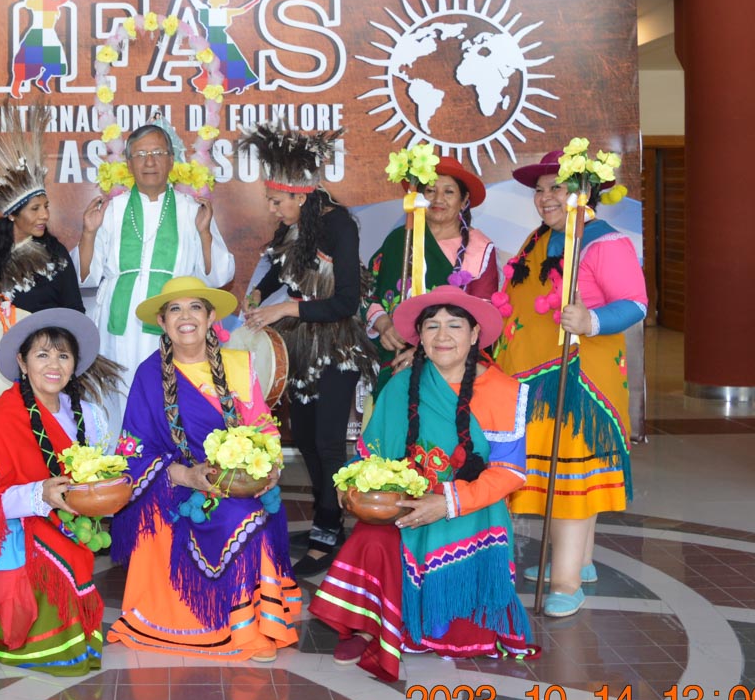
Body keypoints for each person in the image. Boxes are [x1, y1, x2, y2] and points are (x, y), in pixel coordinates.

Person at [311, 287, 538, 681]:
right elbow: (370, 454)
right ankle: (368, 625)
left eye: (454, 325)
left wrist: (447, 502)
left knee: (453, 530)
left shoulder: (504, 391)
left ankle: (428, 623)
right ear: (420, 337)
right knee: (371, 536)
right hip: (404, 504)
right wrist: (351, 483)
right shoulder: (401, 386)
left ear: (474, 335)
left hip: (470, 507)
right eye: (432, 326)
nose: (442, 335)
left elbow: (509, 472)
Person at [108, 277, 301, 661]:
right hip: (172, 482)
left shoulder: (238, 365)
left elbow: (263, 427)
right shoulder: (149, 375)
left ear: (211, 317)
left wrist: (271, 469)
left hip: (234, 480)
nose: (186, 317)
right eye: (175, 310)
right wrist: (187, 476)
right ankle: (235, 629)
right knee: (239, 516)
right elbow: (133, 452)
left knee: (252, 510)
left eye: (195, 307)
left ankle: (254, 623)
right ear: (162, 322)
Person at [493, 151, 648, 618]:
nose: (545, 198)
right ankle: (577, 561)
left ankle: (565, 581)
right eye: (539, 190)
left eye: (556, 188)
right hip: (533, 378)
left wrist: (590, 320)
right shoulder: (538, 239)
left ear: (584, 192)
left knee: (571, 478)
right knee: (555, 474)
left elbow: (635, 303)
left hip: (581, 381)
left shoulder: (604, 242)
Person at [239, 124, 375, 577]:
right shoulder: (292, 226)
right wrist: (259, 294)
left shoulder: (339, 225)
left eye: (276, 201)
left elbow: (347, 302)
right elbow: (279, 269)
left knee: (328, 442)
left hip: (337, 345)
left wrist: (284, 309)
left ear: (299, 195)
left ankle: (328, 528)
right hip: (300, 347)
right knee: (306, 441)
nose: (272, 209)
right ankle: (326, 519)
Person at [0, 309, 111, 674]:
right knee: (58, 552)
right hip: (19, 522)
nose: (53, 365)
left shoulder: (88, 414)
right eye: (42, 355)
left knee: (70, 545)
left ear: (74, 364)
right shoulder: (3, 418)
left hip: (68, 518)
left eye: (63, 355)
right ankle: (32, 636)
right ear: (22, 363)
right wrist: (39, 494)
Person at [77, 122, 234, 410]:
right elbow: (86, 276)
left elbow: (218, 276)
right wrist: (88, 233)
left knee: (167, 397)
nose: (149, 162)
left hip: (173, 321)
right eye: (140, 155)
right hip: (118, 325)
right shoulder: (110, 211)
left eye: (158, 153)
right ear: (129, 163)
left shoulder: (192, 210)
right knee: (116, 398)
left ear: (171, 160)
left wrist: (204, 233)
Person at [365, 156, 501, 387]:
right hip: (395, 359)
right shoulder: (399, 240)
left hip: (451, 366)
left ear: (464, 200)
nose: (438, 199)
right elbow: (367, 290)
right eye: (430, 190)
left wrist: (425, 352)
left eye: (449, 192)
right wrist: (383, 323)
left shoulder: (479, 248)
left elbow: (482, 316)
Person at [0, 103, 84, 323]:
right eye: (35, 209)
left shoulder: (55, 253)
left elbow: (75, 310)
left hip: (45, 343)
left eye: (46, 206)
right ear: (12, 214)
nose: (44, 215)